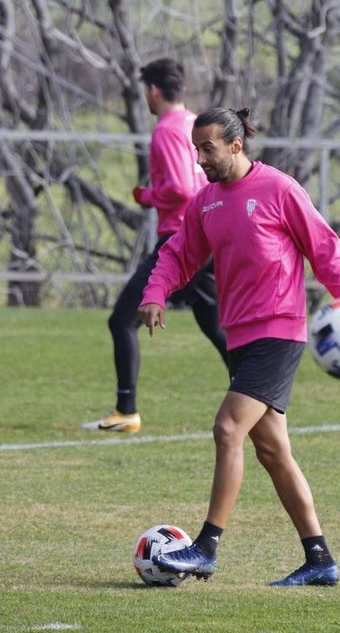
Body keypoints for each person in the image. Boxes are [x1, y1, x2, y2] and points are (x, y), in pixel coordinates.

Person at [138, 107, 340, 587]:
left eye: (208, 149)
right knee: (273, 451)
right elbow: (179, 253)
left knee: (226, 429)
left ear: (236, 145)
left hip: (279, 331)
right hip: (241, 335)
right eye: (195, 149)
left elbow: (323, 247)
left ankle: (205, 548)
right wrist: (156, 293)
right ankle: (320, 559)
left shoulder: (279, 189)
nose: (200, 159)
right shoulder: (206, 203)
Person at [83, 58, 228, 434]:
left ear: (152, 91)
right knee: (213, 323)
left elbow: (181, 187)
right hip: (208, 233)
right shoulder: (194, 123)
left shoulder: (165, 129)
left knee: (121, 320)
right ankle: (258, 393)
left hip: (181, 238)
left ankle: (126, 410)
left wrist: (147, 195)